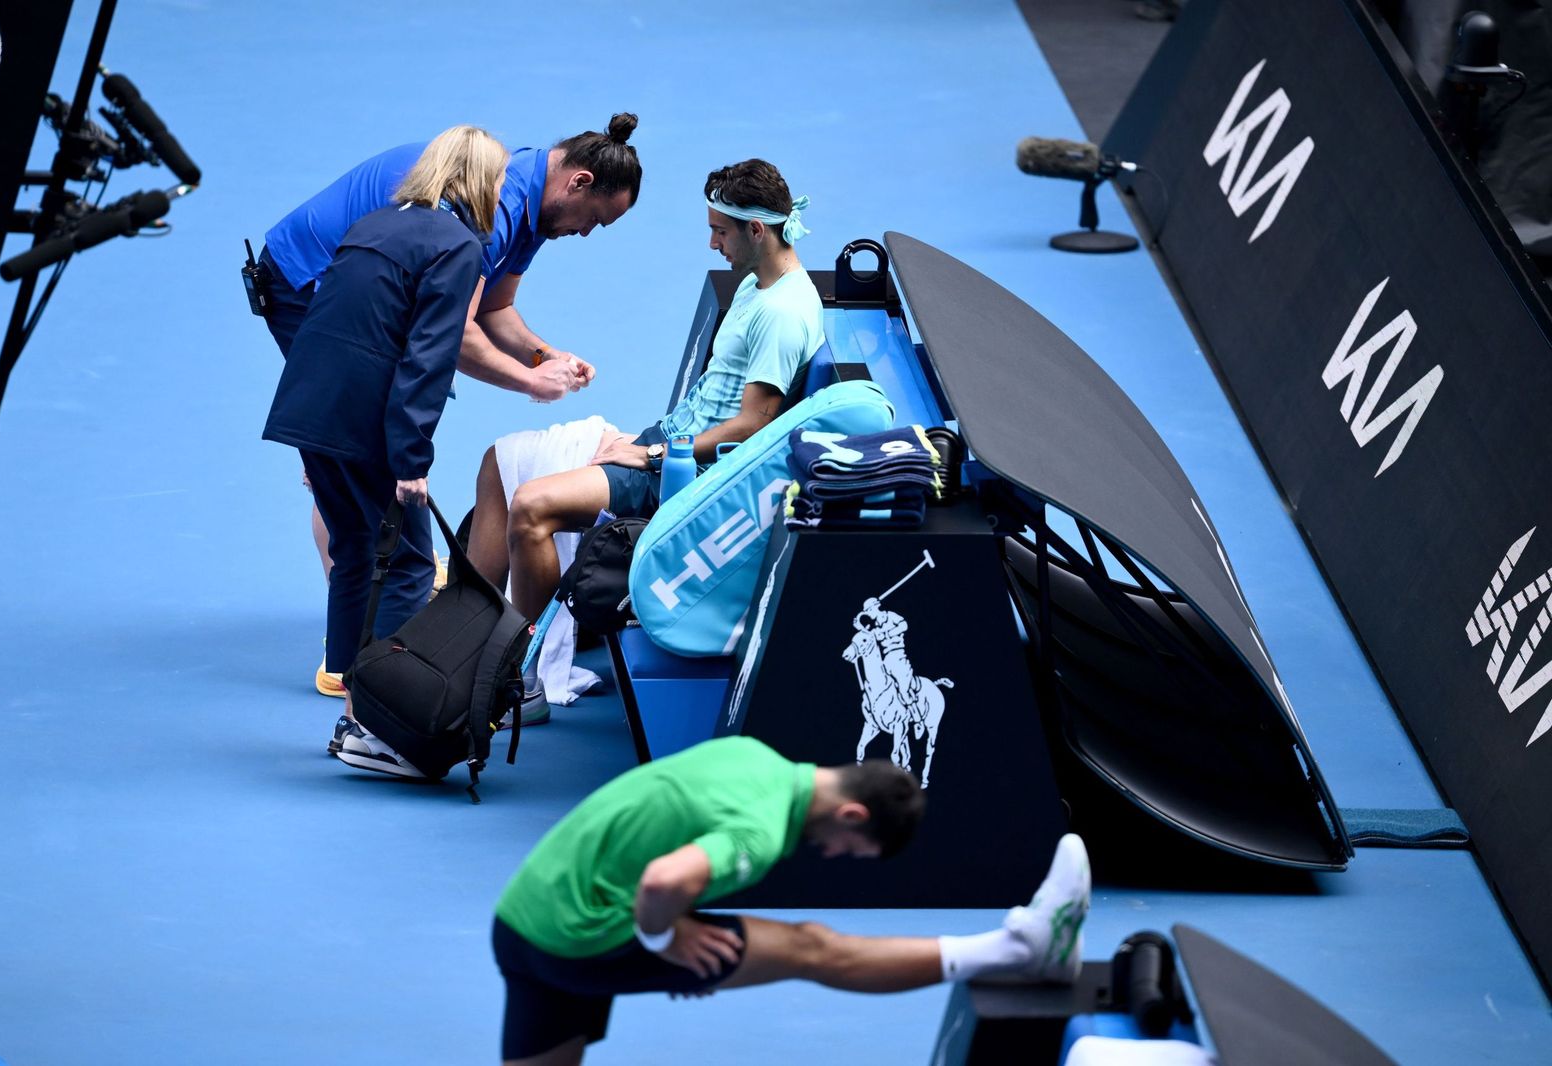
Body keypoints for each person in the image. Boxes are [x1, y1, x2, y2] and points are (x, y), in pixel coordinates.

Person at [254, 114, 642, 700]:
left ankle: (365, 609)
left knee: (370, 456)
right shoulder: (495, 209)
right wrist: (529, 384)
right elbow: (451, 336)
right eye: (596, 221)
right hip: (306, 280)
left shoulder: (537, 208)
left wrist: (543, 357)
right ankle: (359, 632)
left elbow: (493, 311)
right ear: (579, 184)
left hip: (370, 275)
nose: (588, 234)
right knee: (353, 454)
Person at [491, 736, 1092, 1065]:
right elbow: (662, 884)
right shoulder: (763, 829)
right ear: (852, 814)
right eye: (848, 848)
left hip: (524, 916)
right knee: (813, 949)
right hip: (586, 934)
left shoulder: (754, 757)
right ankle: (1020, 948)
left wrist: (666, 932)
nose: (831, 855)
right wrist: (665, 940)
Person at [463, 158, 824, 630]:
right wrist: (649, 444)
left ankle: (521, 673)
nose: (712, 243)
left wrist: (652, 453)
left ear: (756, 229)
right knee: (500, 462)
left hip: (686, 471)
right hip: (669, 442)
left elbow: (753, 424)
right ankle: (467, 628)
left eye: (720, 232)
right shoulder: (760, 285)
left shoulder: (782, 314)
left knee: (531, 507)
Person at [262, 126, 508, 761]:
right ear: (477, 180)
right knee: (405, 565)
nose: (504, 192)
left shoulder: (373, 223)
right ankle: (380, 727)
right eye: (500, 180)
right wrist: (411, 460)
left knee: (353, 554)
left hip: (308, 406)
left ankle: (351, 713)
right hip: (363, 422)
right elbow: (427, 358)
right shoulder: (457, 245)